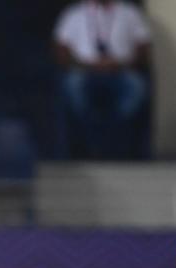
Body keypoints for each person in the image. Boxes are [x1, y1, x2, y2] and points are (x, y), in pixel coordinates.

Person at [53, 0, 152, 159]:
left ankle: (115, 137)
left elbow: (144, 47)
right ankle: (88, 138)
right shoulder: (74, 13)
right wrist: (87, 65)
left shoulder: (129, 13)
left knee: (137, 86)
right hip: (84, 70)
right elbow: (61, 49)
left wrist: (121, 64)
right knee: (73, 84)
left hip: (120, 70)